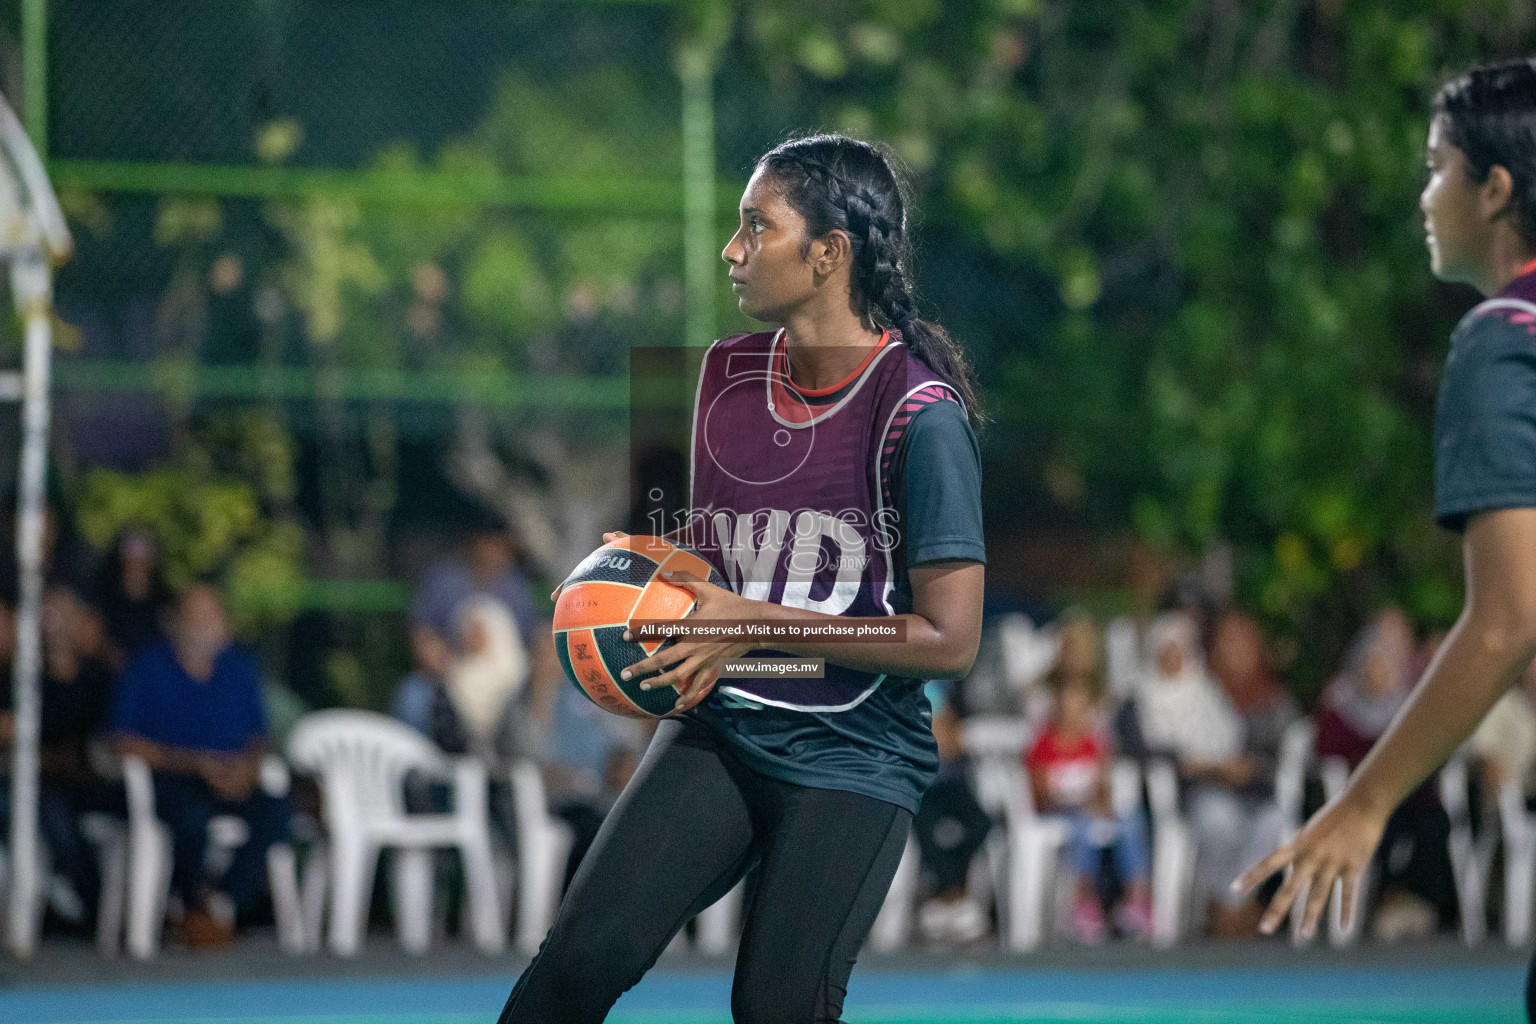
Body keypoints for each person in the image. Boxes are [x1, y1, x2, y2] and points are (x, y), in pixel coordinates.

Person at [498, 134, 986, 1024]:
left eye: (756, 227)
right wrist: (641, 583)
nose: (733, 249)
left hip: (856, 754)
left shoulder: (921, 415)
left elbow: (951, 641)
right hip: (720, 729)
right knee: (572, 970)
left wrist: (754, 624)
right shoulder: (721, 375)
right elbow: (702, 563)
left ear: (828, 254)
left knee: (774, 1009)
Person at [1233, 60, 1536, 993]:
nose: (1424, 193)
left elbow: (1508, 619)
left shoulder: (1505, 338)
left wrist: (1365, 807)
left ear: (1496, 189)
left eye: (1438, 167)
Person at [108, 584, 291, 947]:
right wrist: (194, 764)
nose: (205, 625)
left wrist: (247, 770)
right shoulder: (149, 665)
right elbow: (120, 740)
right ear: (175, 622)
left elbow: (261, 736)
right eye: (196, 616)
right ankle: (187, 903)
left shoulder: (239, 668)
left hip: (230, 778)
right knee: (190, 818)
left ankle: (219, 903)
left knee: (277, 810)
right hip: (172, 777)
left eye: (213, 616)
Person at [1026, 614, 1152, 943]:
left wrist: (1101, 803)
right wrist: (1073, 801)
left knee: (1129, 821)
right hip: (1059, 812)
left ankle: (1136, 901)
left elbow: (1103, 778)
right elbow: (1039, 786)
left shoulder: (1094, 740)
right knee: (1083, 829)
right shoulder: (1044, 741)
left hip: (1087, 808)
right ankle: (1084, 904)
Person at [1193, 611, 1302, 938]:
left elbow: (1287, 759)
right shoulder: (1198, 693)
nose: (1235, 650)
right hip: (1210, 790)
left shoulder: (1275, 699)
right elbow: (1181, 751)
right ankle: (1239, 911)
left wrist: (1250, 769)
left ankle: (1228, 906)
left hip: (1259, 794)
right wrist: (1216, 769)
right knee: (1217, 821)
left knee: (1274, 823)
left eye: (1243, 642)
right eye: (1228, 642)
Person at [912, 683, 992, 943]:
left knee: (981, 823)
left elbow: (957, 733)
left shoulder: (955, 687)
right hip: (922, 785)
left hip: (954, 780)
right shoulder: (906, 684)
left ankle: (952, 893)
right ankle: (946, 895)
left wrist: (948, 734)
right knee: (925, 830)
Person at [90, 526, 170, 672]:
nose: (136, 563)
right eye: (131, 555)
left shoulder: (166, 601)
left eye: (143, 556)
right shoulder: (101, 597)